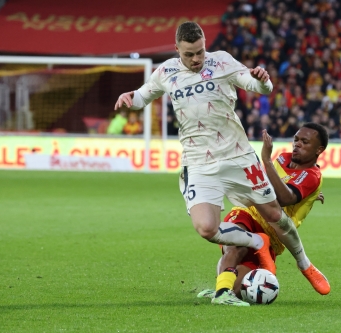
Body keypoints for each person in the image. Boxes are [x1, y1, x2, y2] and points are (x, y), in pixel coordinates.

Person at [114, 22, 329, 306]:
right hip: (199, 163)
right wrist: (130, 97)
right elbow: (144, 95)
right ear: (177, 49)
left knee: (275, 215)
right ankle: (255, 242)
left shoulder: (222, 61)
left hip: (238, 156)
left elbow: (258, 86)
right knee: (206, 228)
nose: (196, 59)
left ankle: (305, 264)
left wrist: (262, 79)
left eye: (200, 52)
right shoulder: (166, 71)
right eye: (189, 54)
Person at [197, 123, 329, 305]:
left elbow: (283, 198)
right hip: (249, 213)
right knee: (237, 245)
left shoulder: (312, 176)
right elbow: (267, 186)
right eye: (296, 140)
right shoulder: (282, 159)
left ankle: (225, 289)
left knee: (240, 289)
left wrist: (266, 161)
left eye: (305, 142)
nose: (297, 144)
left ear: (318, 150)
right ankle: (221, 293)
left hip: (274, 235)